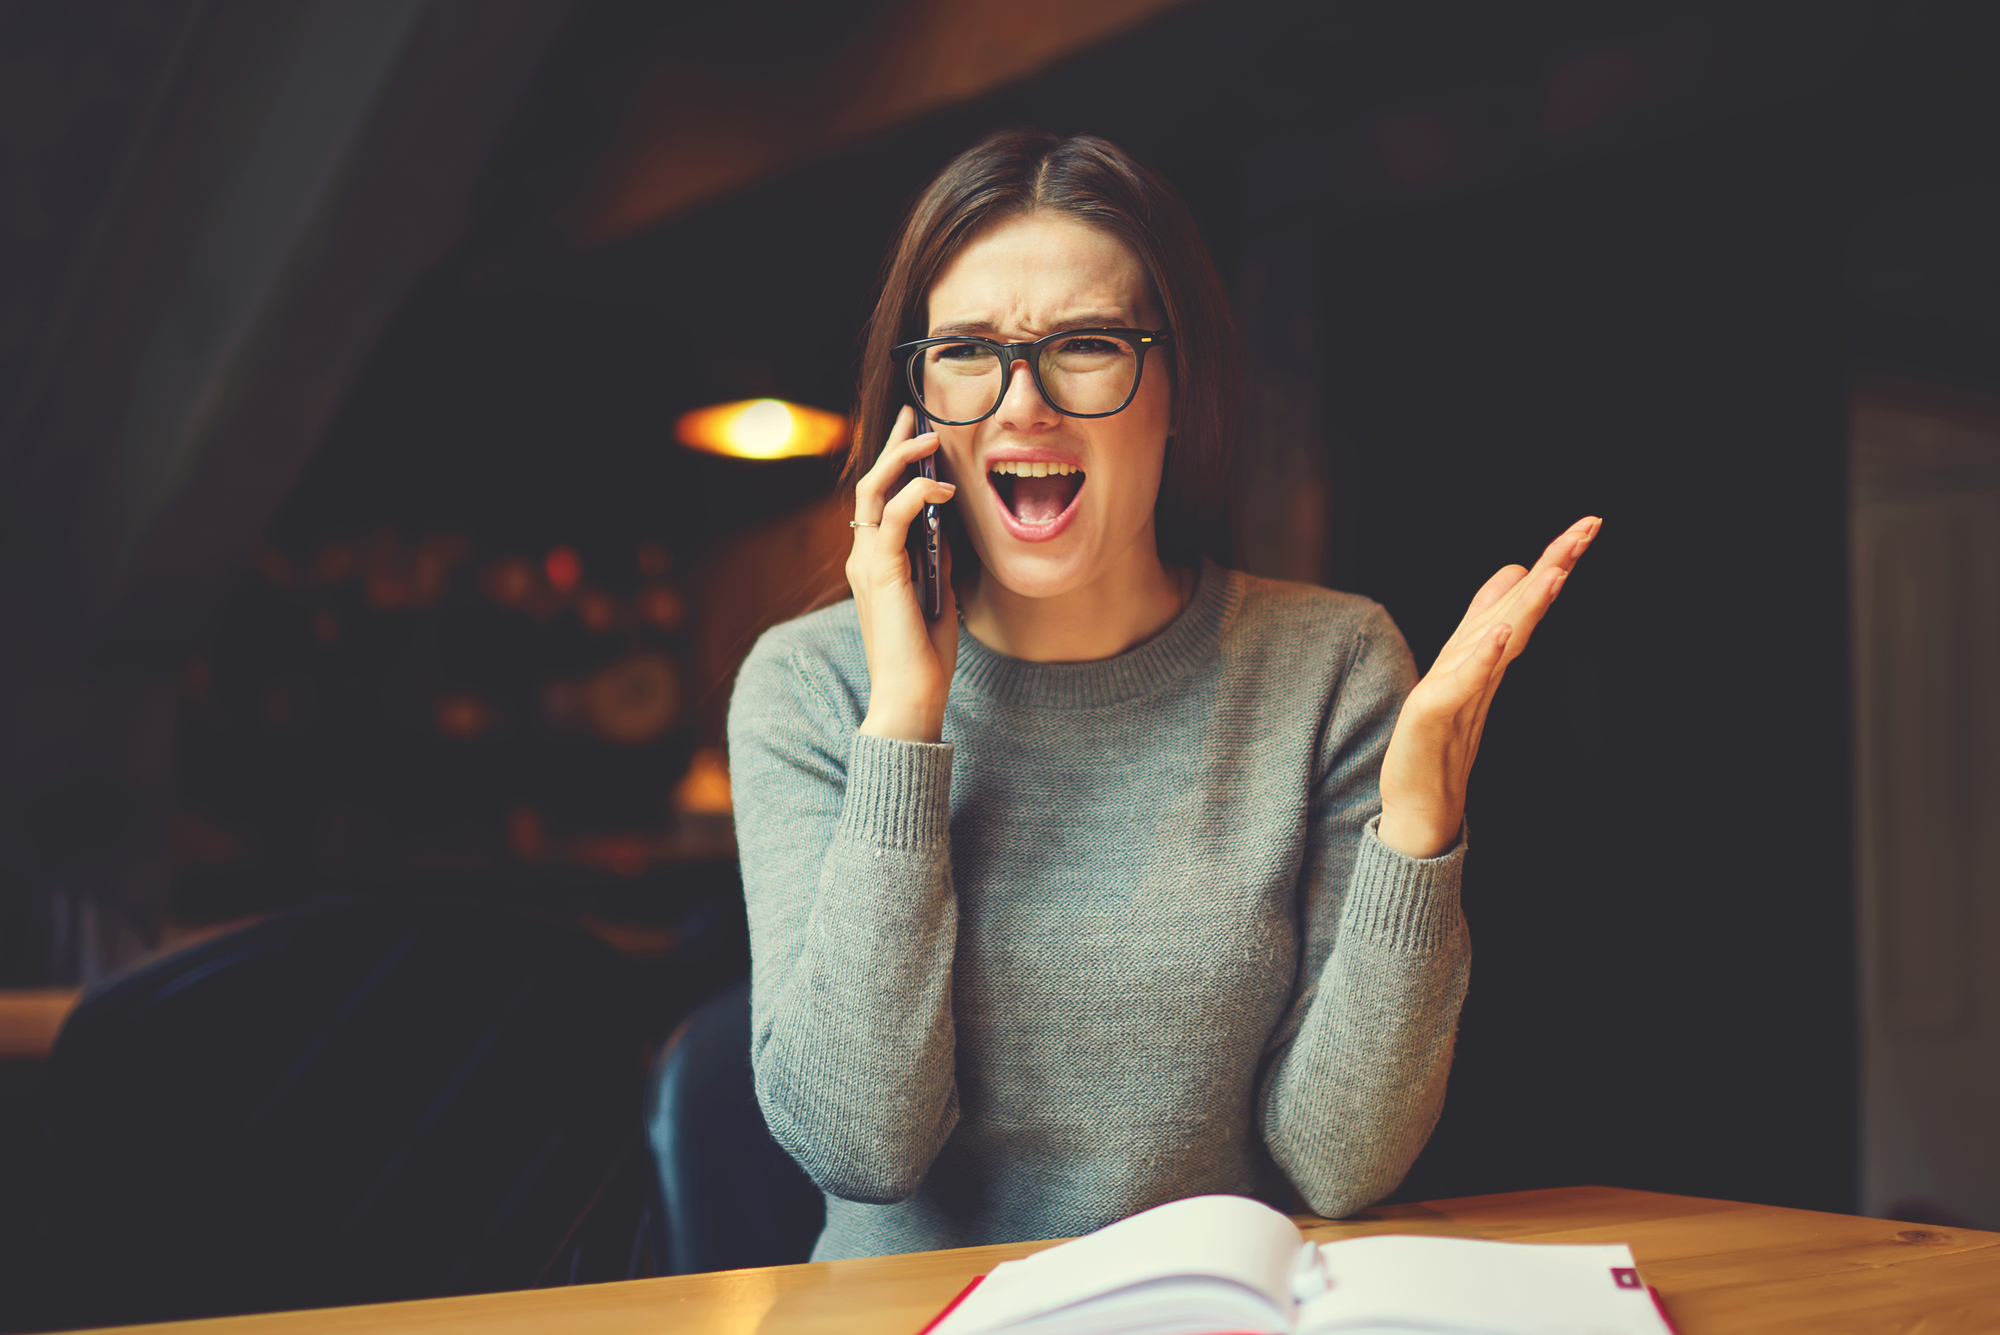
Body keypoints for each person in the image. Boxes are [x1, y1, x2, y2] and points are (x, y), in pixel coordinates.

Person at [726, 128, 1596, 1261]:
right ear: (918, 403)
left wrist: (1419, 825)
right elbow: (859, 1146)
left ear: (1177, 388)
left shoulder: (1331, 667)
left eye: (1084, 344)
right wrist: (904, 716)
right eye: (966, 353)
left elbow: (1338, 1165)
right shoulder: (805, 686)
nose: (1019, 405)